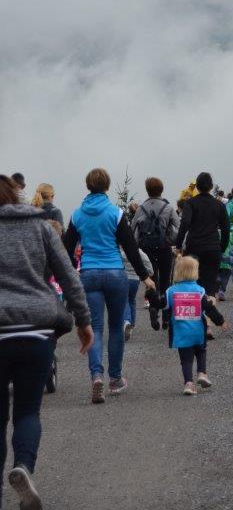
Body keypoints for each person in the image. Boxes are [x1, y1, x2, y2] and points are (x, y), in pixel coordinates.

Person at [0, 175, 93, 510]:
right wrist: (83, 321)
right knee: (27, 410)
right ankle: (23, 467)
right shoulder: (40, 226)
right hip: (38, 331)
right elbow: (68, 276)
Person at [63, 168, 155, 404]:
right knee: (115, 326)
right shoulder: (116, 213)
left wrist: (72, 271)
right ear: (107, 186)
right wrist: (144, 276)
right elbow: (131, 248)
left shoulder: (77, 215)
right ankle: (115, 379)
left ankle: (96, 376)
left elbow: (66, 249)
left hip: (89, 273)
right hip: (115, 273)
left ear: (88, 186)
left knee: (94, 327)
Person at [148, 256, 227, 395]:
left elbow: (160, 304)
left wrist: (150, 293)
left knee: (186, 359)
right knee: (201, 351)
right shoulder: (199, 290)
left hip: (180, 333)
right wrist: (220, 321)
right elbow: (209, 308)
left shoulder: (171, 291)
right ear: (195, 272)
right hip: (198, 331)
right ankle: (202, 373)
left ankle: (189, 384)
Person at [175, 172, 230, 338]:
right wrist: (221, 247)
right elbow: (226, 229)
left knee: (193, 285)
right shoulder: (219, 205)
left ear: (197, 187)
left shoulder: (190, 203)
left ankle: (196, 324)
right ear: (211, 187)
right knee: (210, 287)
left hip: (194, 248)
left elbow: (185, 223)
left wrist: (178, 244)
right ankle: (208, 324)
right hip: (213, 247)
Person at [130, 177, 179, 330]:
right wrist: (171, 240)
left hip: (146, 249)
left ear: (147, 190)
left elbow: (132, 229)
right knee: (166, 282)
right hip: (164, 247)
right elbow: (178, 227)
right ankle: (166, 317)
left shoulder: (140, 209)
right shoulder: (168, 208)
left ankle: (153, 307)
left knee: (152, 281)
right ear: (161, 189)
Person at [123, 248, 153, 342]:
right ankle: (132, 324)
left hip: (122, 277)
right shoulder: (138, 251)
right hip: (135, 279)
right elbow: (147, 263)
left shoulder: (118, 251)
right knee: (132, 300)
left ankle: (126, 321)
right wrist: (148, 274)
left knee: (125, 300)